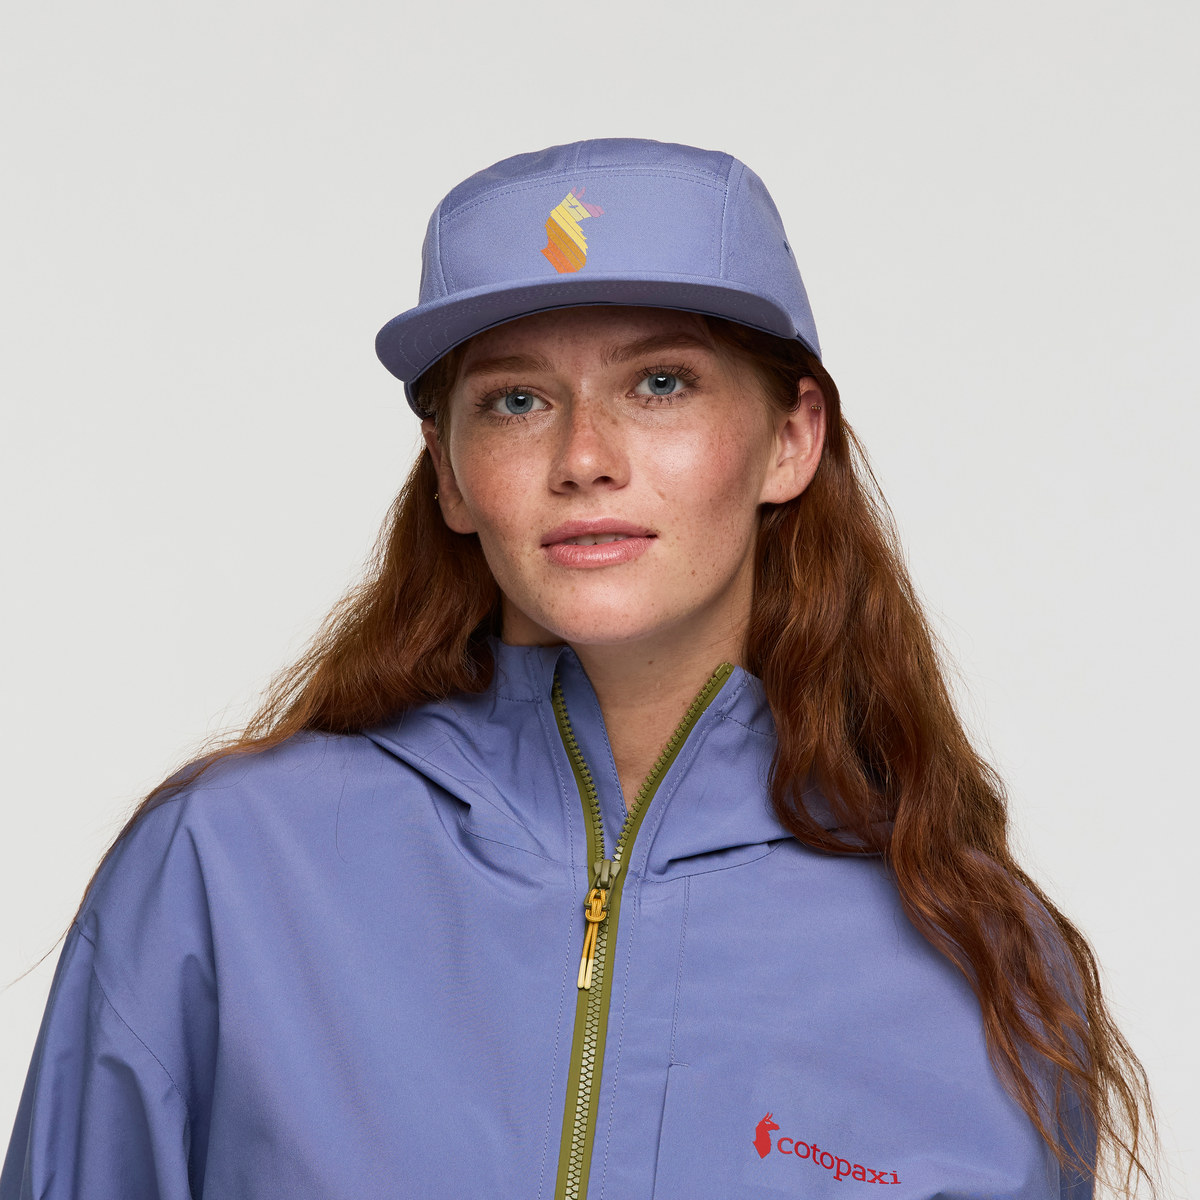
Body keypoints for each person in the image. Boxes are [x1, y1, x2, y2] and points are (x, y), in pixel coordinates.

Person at [1, 138, 1153, 1200]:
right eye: (516, 400)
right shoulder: (227, 868)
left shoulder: (976, 957)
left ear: (791, 438)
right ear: (450, 474)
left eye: (661, 384)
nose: (585, 457)